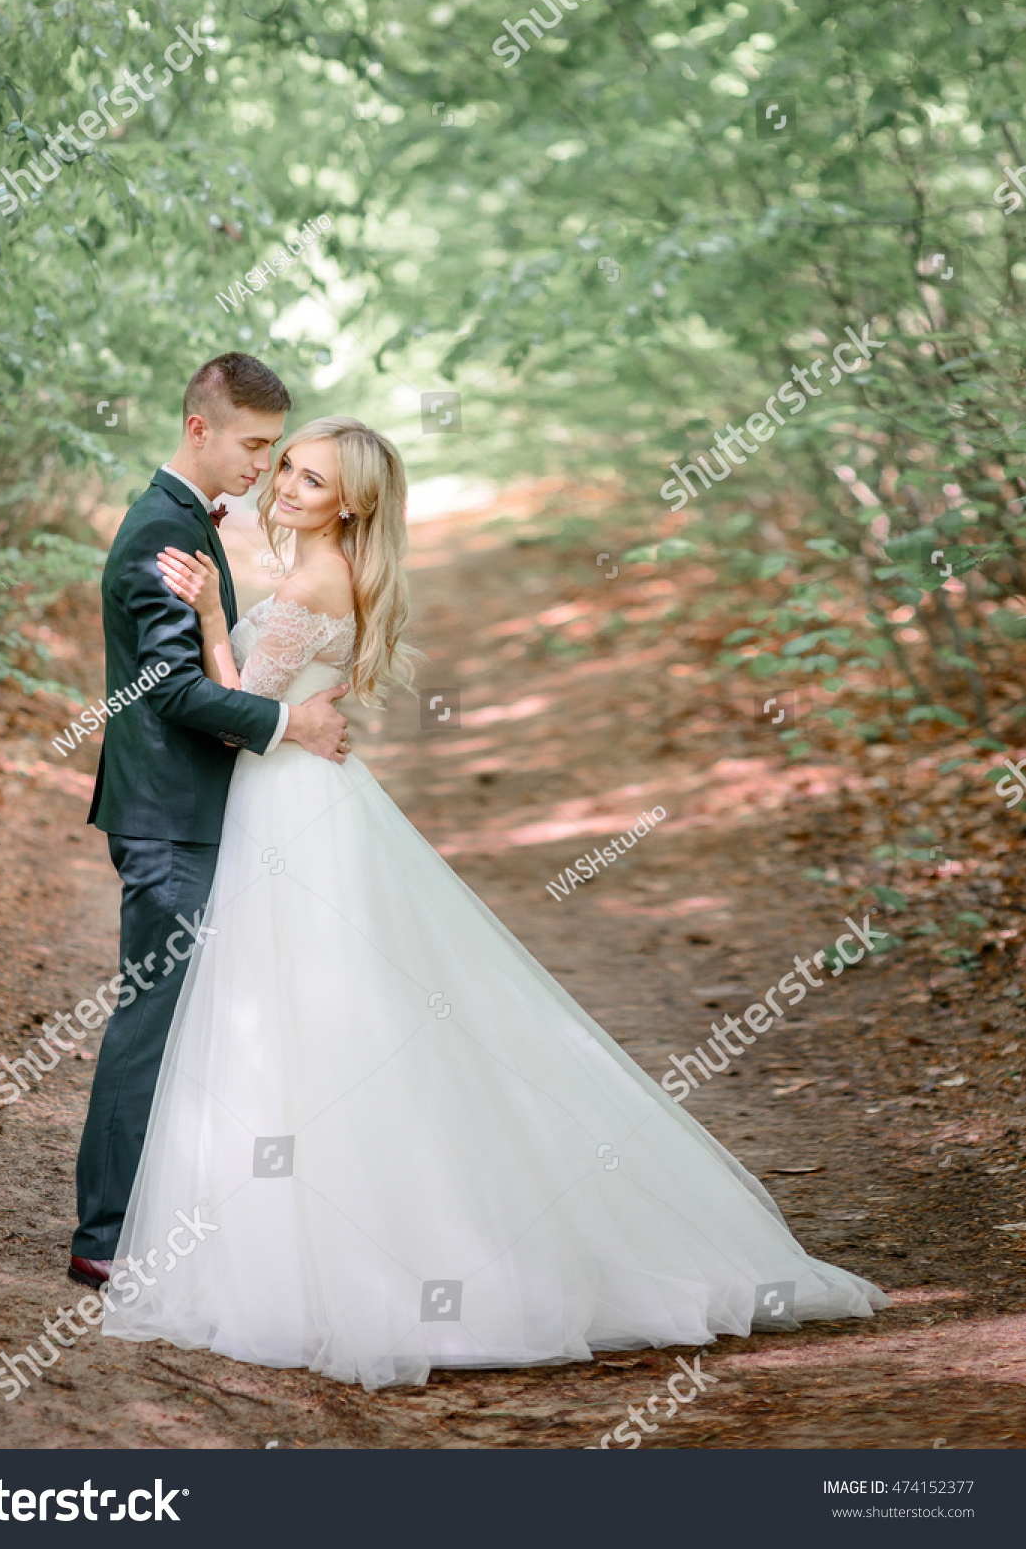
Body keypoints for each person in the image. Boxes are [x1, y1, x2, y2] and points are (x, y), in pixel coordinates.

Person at [100, 415, 888, 1389]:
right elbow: (280, 704)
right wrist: (241, 636)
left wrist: (219, 621)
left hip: (288, 811)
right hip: (300, 800)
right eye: (290, 468)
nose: (290, 487)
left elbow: (241, 715)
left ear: (353, 504)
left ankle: (349, 1259)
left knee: (312, 1021)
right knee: (309, 1019)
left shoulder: (311, 580)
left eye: (313, 479)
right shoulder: (327, 568)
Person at [69, 355, 348, 1288]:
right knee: (149, 1017)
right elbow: (178, 690)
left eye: (278, 451)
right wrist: (287, 721)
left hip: (184, 806)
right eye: (255, 445)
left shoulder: (186, 520)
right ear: (201, 428)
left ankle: (160, 1212)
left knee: (186, 1013)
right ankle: (103, 1237)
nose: (265, 468)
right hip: (166, 814)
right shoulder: (162, 531)